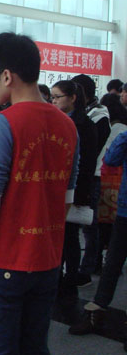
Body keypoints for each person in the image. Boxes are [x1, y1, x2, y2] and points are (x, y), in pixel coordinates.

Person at [0, 33, 79, 355]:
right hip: (48, 259)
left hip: (5, 261)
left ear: (7, 76)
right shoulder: (68, 125)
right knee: (35, 354)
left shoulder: (4, 123)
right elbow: (67, 198)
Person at [68, 128, 127, 353]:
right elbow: (111, 159)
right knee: (112, 262)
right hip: (124, 210)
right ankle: (97, 310)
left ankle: (98, 311)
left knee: (113, 262)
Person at [51, 81, 98, 294]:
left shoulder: (85, 125)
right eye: (52, 97)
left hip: (74, 187)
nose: (53, 101)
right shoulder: (56, 120)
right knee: (58, 235)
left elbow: (86, 163)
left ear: (72, 98)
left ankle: (70, 278)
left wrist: (81, 193)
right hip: (56, 185)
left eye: (58, 97)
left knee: (70, 237)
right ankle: (57, 275)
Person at [72, 74, 111, 284]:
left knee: (89, 223)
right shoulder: (86, 114)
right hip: (83, 173)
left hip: (92, 175)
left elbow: (92, 151)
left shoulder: (98, 116)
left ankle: (88, 267)